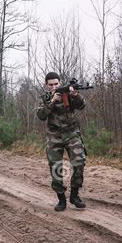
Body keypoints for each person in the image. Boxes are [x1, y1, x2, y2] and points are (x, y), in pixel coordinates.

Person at [37, 72, 87, 211]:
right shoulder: (45, 98)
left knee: (79, 161)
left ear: (60, 83)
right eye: (51, 84)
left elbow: (82, 106)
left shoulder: (68, 94)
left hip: (71, 133)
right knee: (55, 167)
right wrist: (52, 101)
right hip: (54, 135)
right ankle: (61, 198)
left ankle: (75, 195)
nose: (54, 86)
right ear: (46, 85)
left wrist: (75, 95)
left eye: (56, 84)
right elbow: (41, 115)